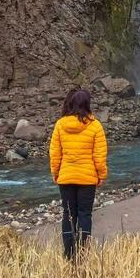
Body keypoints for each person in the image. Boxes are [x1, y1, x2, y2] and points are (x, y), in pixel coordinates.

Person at [48, 88, 108, 259]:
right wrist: (101, 175)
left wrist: (56, 173)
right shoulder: (95, 126)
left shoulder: (60, 125)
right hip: (88, 179)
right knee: (85, 214)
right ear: (87, 104)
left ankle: (68, 254)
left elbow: (55, 153)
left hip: (66, 177)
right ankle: (82, 252)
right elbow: (99, 155)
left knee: (68, 214)